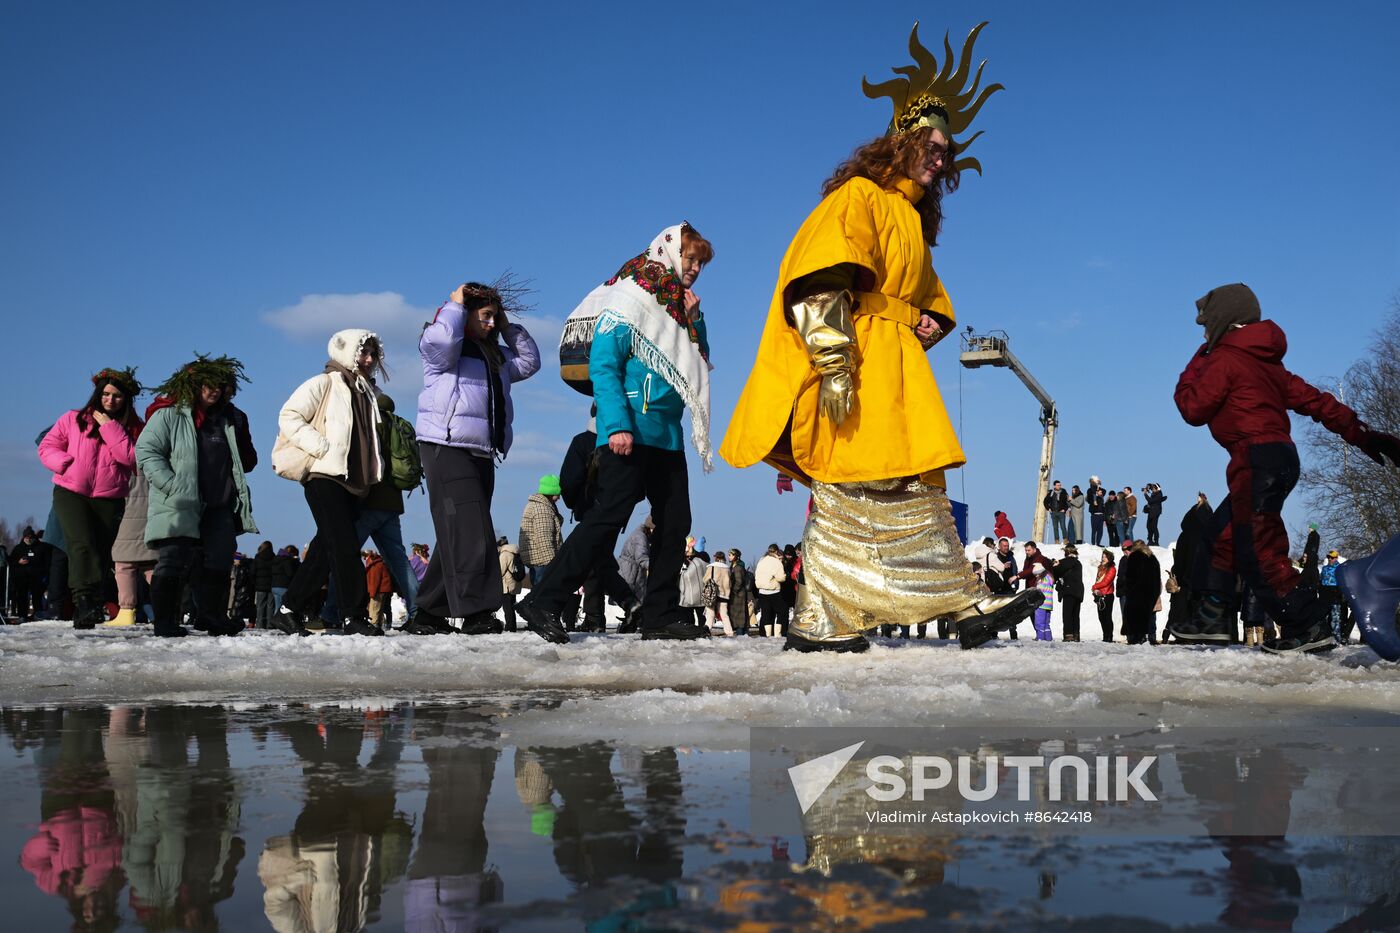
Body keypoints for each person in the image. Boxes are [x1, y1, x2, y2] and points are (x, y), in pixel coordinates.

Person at [719, 24, 1035, 652]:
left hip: (897, 365)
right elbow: (819, 278)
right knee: (857, 480)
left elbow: (934, 300)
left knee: (906, 483)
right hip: (861, 359)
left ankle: (945, 603)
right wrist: (834, 364)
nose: (940, 156)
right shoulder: (860, 196)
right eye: (931, 143)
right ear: (902, 140)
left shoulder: (914, 224)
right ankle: (846, 615)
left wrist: (927, 321)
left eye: (948, 149)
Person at [1173, 283, 1400, 653]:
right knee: (1223, 532)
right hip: (1279, 458)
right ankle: (1211, 616)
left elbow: (1192, 408)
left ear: (1223, 324)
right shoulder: (1268, 365)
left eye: (1205, 325)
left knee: (1257, 549)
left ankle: (1307, 623)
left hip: (1255, 459)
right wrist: (1363, 435)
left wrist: (1198, 360)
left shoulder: (1222, 360)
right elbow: (1318, 402)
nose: (1202, 333)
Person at [518, 224, 716, 643]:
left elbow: (697, 367)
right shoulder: (630, 297)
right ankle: (542, 599)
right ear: (669, 252)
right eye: (690, 258)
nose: (695, 268)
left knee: (675, 521)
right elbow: (603, 364)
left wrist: (694, 322)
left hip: (666, 435)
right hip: (628, 428)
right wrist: (617, 424)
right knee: (607, 519)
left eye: (701, 262)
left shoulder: (682, 310)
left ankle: (659, 614)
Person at [415, 280, 542, 637]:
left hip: (482, 452)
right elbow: (442, 342)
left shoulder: (495, 356)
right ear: (465, 315)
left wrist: (506, 327)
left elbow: (530, 362)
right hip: (446, 447)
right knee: (474, 532)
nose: (489, 324)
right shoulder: (442, 349)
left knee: (459, 531)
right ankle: (476, 612)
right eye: (484, 317)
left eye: (494, 318)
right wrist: (455, 304)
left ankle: (429, 611)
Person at [269, 329, 388, 637]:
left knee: (325, 549)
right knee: (346, 546)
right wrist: (321, 447)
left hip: (355, 482)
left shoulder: (367, 393)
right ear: (347, 351)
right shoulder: (323, 383)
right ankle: (353, 615)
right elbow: (289, 415)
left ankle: (288, 609)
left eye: (374, 354)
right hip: (324, 475)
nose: (370, 359)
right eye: (364, 352)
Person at [135, 355, 258, 637]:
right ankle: (165, 621)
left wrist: (240, 434)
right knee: (173, 559)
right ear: (193, 383)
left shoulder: (231, 419)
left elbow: (247, 462)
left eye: (220, 384)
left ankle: (211, 616)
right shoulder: (169, 414)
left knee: (220, 558)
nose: (214, 390)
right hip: (180, 501)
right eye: (208, 384)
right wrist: (171, 484)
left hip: (219, 503)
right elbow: (147, 450)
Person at [37, 367, 143, 628]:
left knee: (100, 551)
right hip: (71, 491)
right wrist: (64, 463)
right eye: (106, 394)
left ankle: (91, 603)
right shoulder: (73, 418)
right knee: (81, 543)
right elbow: (47, 445)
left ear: (125, 400)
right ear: (98, 394)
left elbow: (131, 458)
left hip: (110, 496)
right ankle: (84, 601)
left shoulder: (132, 428)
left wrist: (110, 429)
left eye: (117, 396)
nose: (110, 400)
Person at [557, 409, 643, 633]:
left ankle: (599, 615)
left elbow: (569, 479)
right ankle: (626, 605)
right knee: (599, 560)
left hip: (590, 511)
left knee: (592, 561)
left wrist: (575, 503)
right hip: (617, 512)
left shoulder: (583, 441)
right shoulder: (627, 442)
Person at [518, 475, 563, 587]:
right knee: (543, 592)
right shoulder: (542, 509)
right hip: (543, 560)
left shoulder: (538, 505)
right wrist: (553, 563)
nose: (559, 498)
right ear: (552, 491)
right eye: (558, 493)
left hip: (537, 558)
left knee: (537, 591)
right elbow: (544, 538)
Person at [1119, 540, 1162, 645]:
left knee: (1134, 617)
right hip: (1150, 593)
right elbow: (1157, 578)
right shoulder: (1153, 558)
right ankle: (1146, 637)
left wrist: (1128, 590)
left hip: (1136, 593)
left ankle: (1137, 638)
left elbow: (1130, 577)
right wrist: (1155, 593)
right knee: (1147, 616)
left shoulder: (1134, 557)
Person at [7, 527, 47, 622]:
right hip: (22, 578)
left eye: (30, 537)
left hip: (36, 577)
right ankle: (22, 615)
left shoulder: (40, 547)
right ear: (23, 537)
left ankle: (38, 614)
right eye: (26, 537)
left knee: (37, 597)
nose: (28, 539)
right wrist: (18, 562)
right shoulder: (18, 548)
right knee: (22, 597)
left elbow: (46, 562)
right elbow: (11, 561)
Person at [1052, 544, 1084, 641]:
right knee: (1075, 614)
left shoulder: (1065, 562)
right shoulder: (1078, 563)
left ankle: (1068, 635)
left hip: (1068, 590)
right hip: (1078, 591)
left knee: (1067, 614)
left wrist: (1055, 565)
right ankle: (1076, 635)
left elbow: (1056, 571)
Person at [754, 544, 786, 637]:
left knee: (766, 613)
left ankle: (767, 635)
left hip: (762, 591)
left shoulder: (761, 560)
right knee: (781, 611)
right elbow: (780, 578)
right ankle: (777, 634)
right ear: (776, 551)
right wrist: (784, 575)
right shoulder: (776, 562)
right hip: (773, 591)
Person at [1319, 550, 1350, 644]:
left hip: (1336, 597)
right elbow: (1321, 580)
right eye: (1328, 557)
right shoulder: (1324, 568)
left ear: (1336, 558)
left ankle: (1337, 638)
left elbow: (1345, 582)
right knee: (1324, 618)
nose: (1330, 559)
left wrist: (1341, 593)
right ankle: (1324, 637)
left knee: (1335, 618)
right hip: (1325, 597)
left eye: (1332, 557)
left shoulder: (1340, 569)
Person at [497, 537, 524, 632]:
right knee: (511, 607)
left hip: (507, 585)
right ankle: (512, 626)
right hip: (515, 584)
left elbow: (500, 571)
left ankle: (510, 627)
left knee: (507, 608)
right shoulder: (515, 552)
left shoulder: (505, 554)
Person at [703, 549, 732, 635]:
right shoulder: (727, 569)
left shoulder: (711, 567)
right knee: (724, 615)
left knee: (710, 614)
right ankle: (729, 633)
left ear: (715, 557)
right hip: (724, 595)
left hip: (712, 594)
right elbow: (729, 583)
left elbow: (705, 579)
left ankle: (706, 631)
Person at [1091, 551, 1117, 643]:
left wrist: (1094, 587)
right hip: (1099, 595)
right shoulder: (1101, 568)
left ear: (1110, 558)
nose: (1103, 558)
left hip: (1107, 595)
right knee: (1101, 617)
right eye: (1102, 557)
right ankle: (1105, 635)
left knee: (1107, 617)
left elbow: (1106, 582)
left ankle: (1109, 636)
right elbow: (1098, 580)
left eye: (1105, 557)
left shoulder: (1112, 569)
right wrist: (1095, 591)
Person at [727, 548, 754, 636]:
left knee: (739, 617)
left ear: (736, 556)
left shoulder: (738, 568)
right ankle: (742, 633)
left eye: (731, 555)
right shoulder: (734, 566)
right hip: (739, 595)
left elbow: (739, 581)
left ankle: (741, 635)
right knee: (739, 617)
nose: (729, 557)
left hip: (738, 596)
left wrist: (733, 590)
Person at [1044, 480, 1069, 545]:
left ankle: (1065, 540)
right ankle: (1057, 540)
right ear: (1054, 486)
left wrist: (1065, 509)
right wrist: (1048, 508)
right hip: (1053, 512)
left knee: (1063, 526)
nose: (1059, 486)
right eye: (1058, 485)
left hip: (1061, 512)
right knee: (1055, 527)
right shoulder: (1051, 493)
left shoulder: (1063, 492)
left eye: (1060, 485)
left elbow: (1067, 502)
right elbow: (1045, 501)